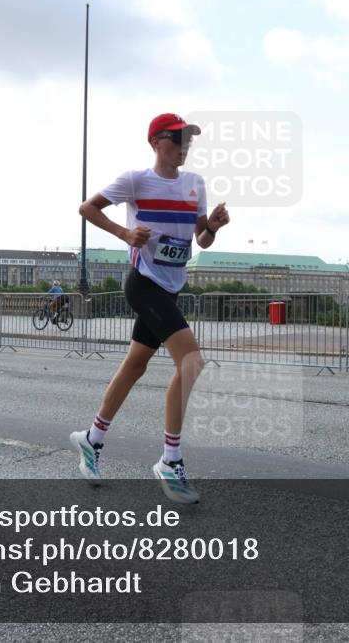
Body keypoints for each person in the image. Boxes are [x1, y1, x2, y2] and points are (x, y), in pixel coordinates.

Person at [71, 113, 230, 504]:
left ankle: (91, 439)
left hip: (172, 287)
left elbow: (201, 241)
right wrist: (125, 233)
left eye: (188, 141)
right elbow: (87, 208)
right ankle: (170, 460)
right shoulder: (136, 180)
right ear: (157, 141)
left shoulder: (195, 184)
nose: (184, 147)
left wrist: (212, 227)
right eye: (177, 140)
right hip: (144, 284)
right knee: (191, 361)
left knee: (135, 365)